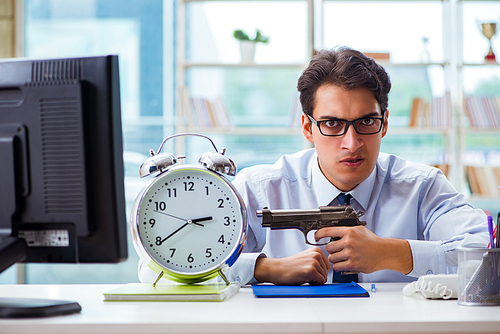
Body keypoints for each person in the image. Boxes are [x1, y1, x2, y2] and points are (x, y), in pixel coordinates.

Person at [138, 46, 489, 285]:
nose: (352, 143)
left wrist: (392, 253)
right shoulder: (260, 187)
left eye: (366, 123)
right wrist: (263, 268)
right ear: (307, 128)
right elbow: (153, 267)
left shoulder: (423, 187)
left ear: (384, 123)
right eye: (332, 124)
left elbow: (487, 259)